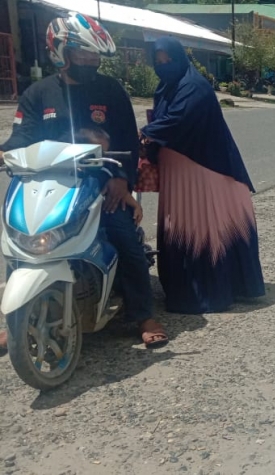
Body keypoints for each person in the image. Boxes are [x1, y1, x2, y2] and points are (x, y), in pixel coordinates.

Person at [0, 13, 165, 352]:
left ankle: (142, 315)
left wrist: (121, 180)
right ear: (60, 51)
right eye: (83, 54)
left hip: (100, 183)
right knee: (18, 243)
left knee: (124, 237)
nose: (90, 61)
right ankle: (15, 317)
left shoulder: (110, 90)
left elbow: (128, 142)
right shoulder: (37, 94)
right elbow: (21, 139)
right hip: (46, 184)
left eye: (94, 55)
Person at [140, 37, 265, 315]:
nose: (163, 66)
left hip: (203, 170)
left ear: (179, 58)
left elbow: (177, 120)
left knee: (202, 228)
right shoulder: (167, 88)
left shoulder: (194, 87)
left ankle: (210, 292)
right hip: (179, 171)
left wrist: (145, 134)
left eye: (167, 59)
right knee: (182, 227)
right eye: (158, 61)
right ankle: (183, 288)